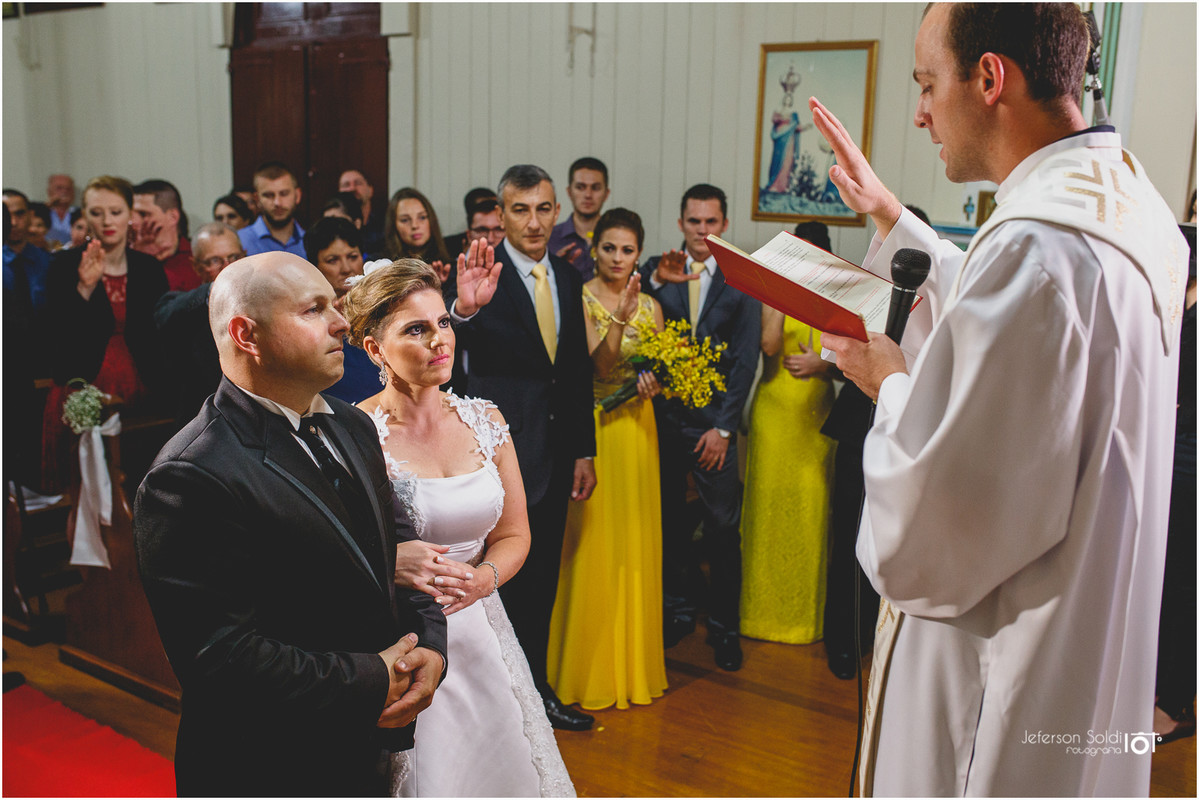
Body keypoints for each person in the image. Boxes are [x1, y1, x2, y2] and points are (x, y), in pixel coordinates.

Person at [811, 3, 1187, 794]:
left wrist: (887, 381)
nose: (919, 113)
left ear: (988, 78)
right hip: (1093, 615)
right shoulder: (1124, 201)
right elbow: (1016, 338)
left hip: (1007, 652)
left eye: (926, 84)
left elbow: (939, 512)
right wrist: (891, 216)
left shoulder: (1037, 246)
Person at [133, 252, 447, 796]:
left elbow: (397, 551)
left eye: (334, 305)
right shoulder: (189, 474)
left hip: (365, 747)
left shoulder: (352, 424)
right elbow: (219, 655)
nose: (341, 322)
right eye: (313, 309)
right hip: (267, 762)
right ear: (246, 335)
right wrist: (373, 678)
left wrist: (432, 649)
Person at [343, 257, 575, 797]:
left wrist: (484, 579)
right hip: (407, 634)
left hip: (483, 626)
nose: (439, 340)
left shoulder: (485, 420)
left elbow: (515, 534)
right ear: (375, 349)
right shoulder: (356, 433)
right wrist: (390, 566)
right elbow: (341, 551)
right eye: (415, 330)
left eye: (443, 322)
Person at [444, 164, 598, 731]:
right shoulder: (481, 277)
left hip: (555, 457)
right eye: (520, 210)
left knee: (541, 584)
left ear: (557, 212)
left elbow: (574, 371)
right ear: (501, 215)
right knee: (493, 583)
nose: (534, 222)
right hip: (499, 456)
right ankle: (490, 705)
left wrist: (583, 450)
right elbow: (451, 344)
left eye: (543, 209)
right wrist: (463, 310)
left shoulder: (569, 275)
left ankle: (536, 694)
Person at [547, 208, 668, 710]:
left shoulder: (654, 306)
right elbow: (600, 365)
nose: (618, 258)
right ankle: (581, 666)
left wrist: (656, 381)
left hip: (638, 430)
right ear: (594, 248)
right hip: (594, 430)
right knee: (591, 544)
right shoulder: (578, 297)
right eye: (610, 248)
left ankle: (631, 667)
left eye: (628, 250)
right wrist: (621, 314)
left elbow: (658, 365)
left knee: (634, 542)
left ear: (639, 254)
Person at [639, 183, 761, 672]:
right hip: (665, 422)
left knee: (722, 530)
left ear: (725, 225)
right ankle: (678, 611)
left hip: (715, 427)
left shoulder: (742, 278)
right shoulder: (657, 272)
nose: (702, 231)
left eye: (711, 222)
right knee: (670, 522)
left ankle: (726, 628)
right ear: (680, 223)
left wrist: (725, 430)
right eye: (694, 222)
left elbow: (745, 360)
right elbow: (636, 331)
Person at [739, 221, 835, 646]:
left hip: (815, 416)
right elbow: (769, 345)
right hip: (775, 414)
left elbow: (856, 358)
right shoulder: (771, 291)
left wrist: (823, 364)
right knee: (767, 510)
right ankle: (759, 616)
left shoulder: (836, 295)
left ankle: (805, 619)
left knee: (812, 511)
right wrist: (779, 288)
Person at [41, 176, 169, 491]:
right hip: (82, 383)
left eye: (115, 212)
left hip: (142, 385)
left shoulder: (148, 267)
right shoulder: (63, 265)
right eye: (97, 213)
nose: (107, 221)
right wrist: (84, 288)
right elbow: (54, 337)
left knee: (140, 481)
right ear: (85, 216)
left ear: (130, 215)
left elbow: (161, 334)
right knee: (86, 489)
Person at [1154, 221, 1196, 744]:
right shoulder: (1175, 291)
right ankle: (1159, 689)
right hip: (1168, 445)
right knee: (1163, 579)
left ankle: (1175, 703)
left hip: (1191, 454)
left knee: (1184, 584)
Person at [153, 222, 246, 421]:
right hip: (203, 419)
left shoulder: (262, 304)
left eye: (234, 257)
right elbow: (165, 316)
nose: (228, 267)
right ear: (196, 266)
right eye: (215, 260)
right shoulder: (185, 306)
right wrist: (213, 290)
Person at [304, 216, 376, 405]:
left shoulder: (382, 307)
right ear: (315, 266)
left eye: (353, 257)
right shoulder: (305, 316)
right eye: (333, 260)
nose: (346, 269)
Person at [132, 179, 200, 292]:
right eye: (131, 215)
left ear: (173, 217)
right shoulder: (128, 257)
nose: (133, 222)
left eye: (143, 214)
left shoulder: (197, 259)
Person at [549, 158, 610, 281]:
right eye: (580, 187)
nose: (588, 195)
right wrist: (555, 267)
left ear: (606, 193)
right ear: (569, 192)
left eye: (595, 188)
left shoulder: (617, 239)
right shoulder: (549, 238)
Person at [239, 162, 306, 257]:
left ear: (297, 195)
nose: (277, 203)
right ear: (257, 199)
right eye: (269, 195)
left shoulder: (312, 241)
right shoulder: (240, 242)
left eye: (284, 193)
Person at [384, 188, 451, 280]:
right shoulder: (382, 266)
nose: (415, 225)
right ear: (393, 225)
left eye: (422, 217)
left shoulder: (449, 265)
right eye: (405, 220)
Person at [3, 189, 52, 313]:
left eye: (19, 214)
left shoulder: (48, 262)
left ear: (30, 215)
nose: (13, 222)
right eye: (6, 216)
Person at [339, 169, 386, 256]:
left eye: (358, 183)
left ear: (370, 190)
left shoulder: (385, 227)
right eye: (346, 185)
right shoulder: (333, 226)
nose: (352, 188)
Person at [443, 187, 499, 260]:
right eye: (481, 230)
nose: (490, 239)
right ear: (469, 235)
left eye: (499, 230)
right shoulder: (450, 255)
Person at [45, 173, 78, 246]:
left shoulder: (79, 213)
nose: (64, 191)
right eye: (59, 188)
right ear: (49, 191)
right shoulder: (43, 212)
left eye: (68, 189)